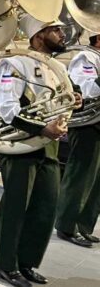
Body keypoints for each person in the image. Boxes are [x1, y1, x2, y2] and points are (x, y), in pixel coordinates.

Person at [0, 14, 81, 287]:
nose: (62, 35)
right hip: (20, 146)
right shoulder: (15, 64)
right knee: (16, 208)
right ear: (39, 35)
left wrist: (73, 100)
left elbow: (59, 102)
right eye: (56, 30)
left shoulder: (58, 67)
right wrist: (42, 129)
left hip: (49, 146)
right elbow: (6, 108)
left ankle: (27, 263)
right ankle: (7, 265)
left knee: (45, 208)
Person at [55, 33, 100, 247]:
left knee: (96, 180)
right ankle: (67, 226)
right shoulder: (85, 58)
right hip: (87, 126)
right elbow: (88, 90)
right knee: (80, 176)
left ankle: (84, 226)